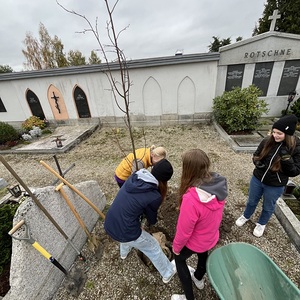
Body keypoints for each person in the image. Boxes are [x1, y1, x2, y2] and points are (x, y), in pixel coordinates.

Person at [104, 158, 177, 283]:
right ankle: (168, 273)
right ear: (165, 180)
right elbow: (152, 219)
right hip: (126, 231)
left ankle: (123, 254)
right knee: (153, 246)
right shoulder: (154, 196)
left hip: (110, 223)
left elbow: (131, 206)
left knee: (125, 228)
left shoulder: (135, 177)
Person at [171, 149, 227, 300]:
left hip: (195, 241)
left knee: (179, 259)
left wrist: (176, 248)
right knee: (203, 253)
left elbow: (184, 231)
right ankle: (198, 278)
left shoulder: (192, 199)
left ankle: (189, 298)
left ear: (187, 169)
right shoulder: (218, 184)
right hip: (210, 237)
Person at [236, 114, 300, 237]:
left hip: (275, 185)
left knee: (268, 206)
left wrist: (286, 158)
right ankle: (246, 216)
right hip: (257, 179)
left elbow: (294, 171)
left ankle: (261, 224)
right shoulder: (267, 141)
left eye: (279, 133)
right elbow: (256, 154)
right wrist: (257, 162)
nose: (275, 135)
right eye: (274, 132)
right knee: (251, 201)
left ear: (288, 135)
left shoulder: (296, 148)